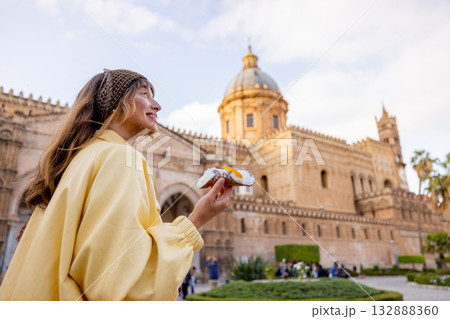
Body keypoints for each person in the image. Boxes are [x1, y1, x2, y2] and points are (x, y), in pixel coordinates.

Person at [0, 69, 233, 301]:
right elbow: (126, 284)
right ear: (116, 103)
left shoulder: (80, 158)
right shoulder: (119, 157)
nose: (157, 105)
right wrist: (197, 219)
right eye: (145, 94)